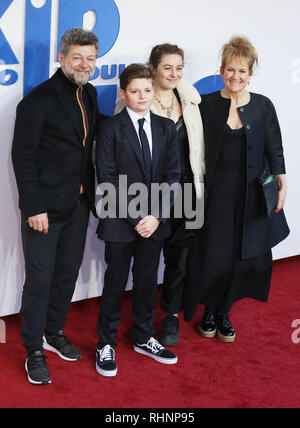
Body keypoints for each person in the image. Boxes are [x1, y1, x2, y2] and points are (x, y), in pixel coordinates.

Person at [11, 28, 104, 385]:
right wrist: (33, 207)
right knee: (39, 280)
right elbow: (23, 157)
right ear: (62, 58)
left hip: (78, 204)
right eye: (78, 57)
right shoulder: (37, 101)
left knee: (67, 275)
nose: (85, 64)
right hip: (44, 210)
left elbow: (89, 137)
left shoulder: (90, 93)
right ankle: (33, 347)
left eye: (91, 59)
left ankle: (54, 331)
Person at [184, 36, 290, 342]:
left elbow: (275, 147)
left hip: (250, 196)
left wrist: (282, 182)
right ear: (221, 71)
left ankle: (224, 312)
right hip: (215, 195)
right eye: (230, 70)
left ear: (251, 74)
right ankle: (209, 310)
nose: (236, 77)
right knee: (212, 255)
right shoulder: (207, 106)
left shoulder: (262, 106)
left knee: (241, 257)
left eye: (242, 71)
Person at [115, 44, 205, 346]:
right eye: (168, 67)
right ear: (153, 68)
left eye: (179, 67)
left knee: (180, 261)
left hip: (189, 192)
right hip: (149, 196)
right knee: (147, 261)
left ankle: (171, 318)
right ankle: (140, 323)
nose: (174, 73)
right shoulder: (138, 99)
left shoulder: (191, 98)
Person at [95, 64, 181, 377]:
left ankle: (144, 337)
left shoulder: (166, 127)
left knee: (147, 282)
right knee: (115, 283)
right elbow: (106, 178)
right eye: (134, 91)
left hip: (155, 222)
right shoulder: (110, 129)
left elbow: (173, 175)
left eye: (147, 90)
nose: (142, 96)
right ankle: (105, 342)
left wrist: (156, 215)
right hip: (120, 222)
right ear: (123, 93)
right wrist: (136, 217)